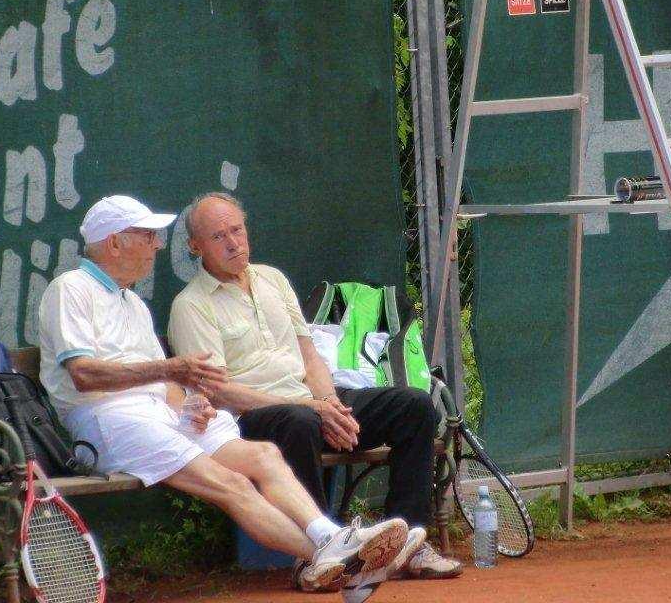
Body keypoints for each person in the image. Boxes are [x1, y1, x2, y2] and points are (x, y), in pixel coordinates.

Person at [38, 194, 411, 597]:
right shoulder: (70, 289)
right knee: (230, 484)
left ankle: (332, 542)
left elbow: (165, 385)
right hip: (106, 421)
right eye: (147, 236)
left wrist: (190, 406)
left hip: (156, 414)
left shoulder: (131, 303)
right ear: (115, 242)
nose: (157, 246)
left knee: (263, 455)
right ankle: (340, 561)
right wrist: (168, 370)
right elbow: (83, 374)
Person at [167, 192, 464, 594]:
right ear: (195, 247)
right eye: (219, 236)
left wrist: (332, 405)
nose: (233, 243)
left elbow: (308, 354)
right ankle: (319, 556)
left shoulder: (272, 279)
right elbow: (218, 393)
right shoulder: (190, 306)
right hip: (252, 419)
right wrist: (311, 406)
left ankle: (408, 544)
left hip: (309, 400)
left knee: (413, 405)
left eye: (237, 230)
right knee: (300, 419)